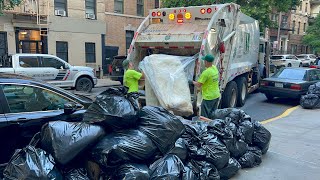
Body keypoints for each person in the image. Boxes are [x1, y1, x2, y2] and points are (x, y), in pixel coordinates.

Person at [193, 54, 221, 118]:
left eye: (204, 61)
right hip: (216, 95)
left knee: (204, 117)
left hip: (209, 97)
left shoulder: (206, 72)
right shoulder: (214, 68)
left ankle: (205, 127)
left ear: (206, 62)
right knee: (213, 114)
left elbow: (199, 84)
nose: (204, 62)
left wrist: (192, 82)